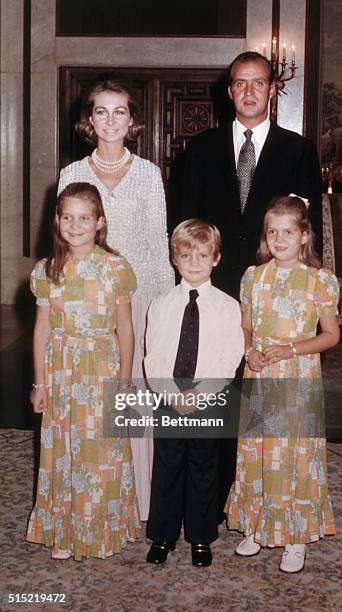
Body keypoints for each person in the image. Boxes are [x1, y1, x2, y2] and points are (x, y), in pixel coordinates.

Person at [181, 50, 323, 518]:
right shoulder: (199, 149)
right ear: (229, 91)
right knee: (218, 388)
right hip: (216, 286)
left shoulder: (298, 150)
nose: (248, 91)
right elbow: (185, 223)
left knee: (264, 395)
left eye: (258, 83)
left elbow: (308, 226)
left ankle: (269, 493)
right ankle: (215, 496)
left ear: (272, 90)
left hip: (274, 293)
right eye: (240, 83)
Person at [58, 77, 175, 521]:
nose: (110, 120)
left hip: (140, 293)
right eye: (101, 111)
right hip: (88, 299)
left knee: (132, 393)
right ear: (89, 120)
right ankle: (91, 494)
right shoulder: (72, 174)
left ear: (133, 120)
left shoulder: (147, 173)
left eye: (119, 111)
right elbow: (66, 241)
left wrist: (164, 305)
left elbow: (157, 240)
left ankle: (136, 499)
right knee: (89, 396)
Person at [26, 182, 141, 560]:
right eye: (68, 218)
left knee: (100, 448)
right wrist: (39, 381)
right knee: (64, 449)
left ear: (99, 223)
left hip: (102, 367)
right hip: (61, 369)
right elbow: (41, 329)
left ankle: (102, 527)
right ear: (57, 221)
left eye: (84, 218)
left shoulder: (116, 268)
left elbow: (125, 328)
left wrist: (124, 382)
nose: (75, 225)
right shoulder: (47, 271)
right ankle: (64, 529)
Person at [226, 195, 339, 573]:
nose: (279, 238)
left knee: (293, 454)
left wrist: (290, 349)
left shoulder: (320, 281)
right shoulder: (253, 278)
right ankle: (257, 526)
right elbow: (245, 327)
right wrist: (248, 352)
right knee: (258, 450)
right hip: (259, 376)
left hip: (297, 375)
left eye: (288, 231)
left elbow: (331, 336)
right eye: (272, 231)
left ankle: (295, 536)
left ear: (304, 235)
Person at [144, 219, 244, 567]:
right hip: (169, 396)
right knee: (168, 465)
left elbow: (230, 357)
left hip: (209, 397)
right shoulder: (162, 304)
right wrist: (171, 394)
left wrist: (201, 394)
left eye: (203, 255)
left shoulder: (229, 307)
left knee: (204, 466)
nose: (195, 262)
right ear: (175, 259)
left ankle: (201, 537)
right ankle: (163, 535)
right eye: (187, 255)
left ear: (216, 258)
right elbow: (153, 355)